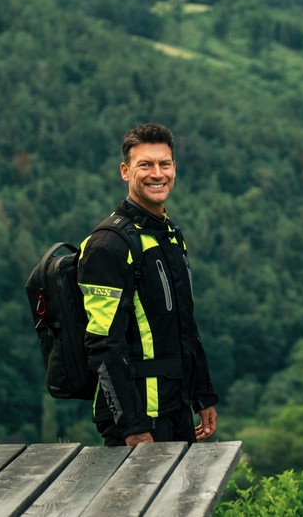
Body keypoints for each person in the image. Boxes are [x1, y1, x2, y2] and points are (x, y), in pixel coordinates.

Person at [77, 123, 218, 447]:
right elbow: (103, 345)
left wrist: (203, 394)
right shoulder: (108, 246)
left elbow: (185, 325)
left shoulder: (168, 235)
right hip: (139, 422)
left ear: (174, 169)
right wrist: (133, 427)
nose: (158, 173)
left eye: (164, 164)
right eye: (146, 165)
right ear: (125, 171)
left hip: (176, 408)